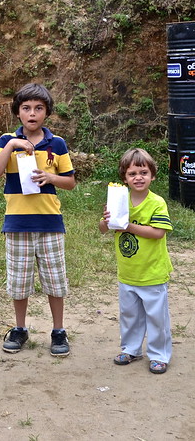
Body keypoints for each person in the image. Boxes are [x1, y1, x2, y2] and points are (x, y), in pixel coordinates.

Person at [0, 83, 76, 357]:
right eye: (26, 108)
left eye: (38, 108)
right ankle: (19, 328)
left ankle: (58, 331)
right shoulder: (6, 141)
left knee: (55, 280)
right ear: (18, 113)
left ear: (47, 113)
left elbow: (70, 182)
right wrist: (13, 144)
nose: (32, 113)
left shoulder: (57, 144)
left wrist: (50, 178)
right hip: (17, 225)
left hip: (50, 223)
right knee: (19, 281)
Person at [99, 148, 173, 374]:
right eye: (132, 174)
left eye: (143, 172)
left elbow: (158, 232)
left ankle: (159, 354)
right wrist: (108, 220)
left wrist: (127, 226)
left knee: (156, 317)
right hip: (128, 272)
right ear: (124, 178)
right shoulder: (119, 200)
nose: (138, 177)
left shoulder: (156, 202)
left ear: (153, 175)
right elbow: (104, 228)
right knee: (130, 315)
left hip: (152, 272)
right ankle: (131, 349)